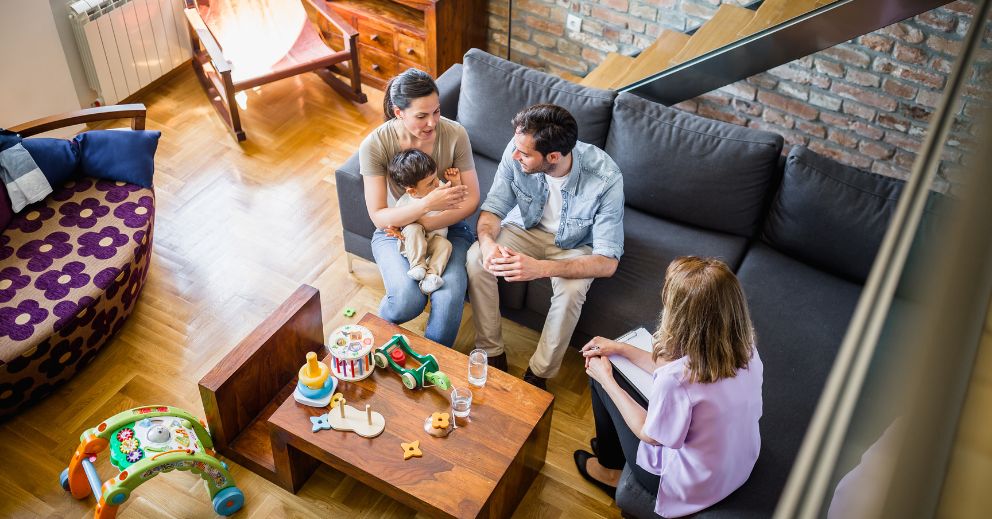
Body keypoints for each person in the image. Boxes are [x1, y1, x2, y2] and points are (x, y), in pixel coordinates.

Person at [576, 256, 763, 518]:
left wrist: (606, 378)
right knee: (612, 374)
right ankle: (612, 449)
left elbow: (650, 434)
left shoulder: (676, 380)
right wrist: (621, 349)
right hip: (739, 463)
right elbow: (679, 373)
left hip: (690, 486)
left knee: (600, 378)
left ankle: (610, 469)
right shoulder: (746, 350)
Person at [466, 103, 624, 389]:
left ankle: (538, 374)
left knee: (572, 290)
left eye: (524, 154)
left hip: (575, 244)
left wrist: (539, 269)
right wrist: (488, 243)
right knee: (477, 258)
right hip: (525, 227)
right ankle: (492, 351)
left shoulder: (605, 178)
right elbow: (494, 209)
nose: (515, 155)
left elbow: (607, 262)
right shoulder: (517, 149)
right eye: (516, 148)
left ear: (552, 156)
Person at [359, 68, 480, 347]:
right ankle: (375, 340)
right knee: (405, 301)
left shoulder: (455, 134)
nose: (432, 123)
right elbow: (379, 216)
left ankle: (432, 365)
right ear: (398, 112)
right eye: (422, 116)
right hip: (396, 230)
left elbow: (472, 199)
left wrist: (426, 222)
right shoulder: (376, 144)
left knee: (449, 297)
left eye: (436, 112)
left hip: (448, 229)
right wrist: (427, 204)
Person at [387, 148, 462, 294]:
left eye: (435, 177)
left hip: (434, 242)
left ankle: (431, 276)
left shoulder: (439, 188)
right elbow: (395, 222)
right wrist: (395, 229)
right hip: (412, 245)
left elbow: (457, 201)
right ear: (412, 191)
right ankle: (417, 266)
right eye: (430, 183)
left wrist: (456, 182)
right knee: (413, 228)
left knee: (446, 245)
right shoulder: (404, 203)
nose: (437, 183)